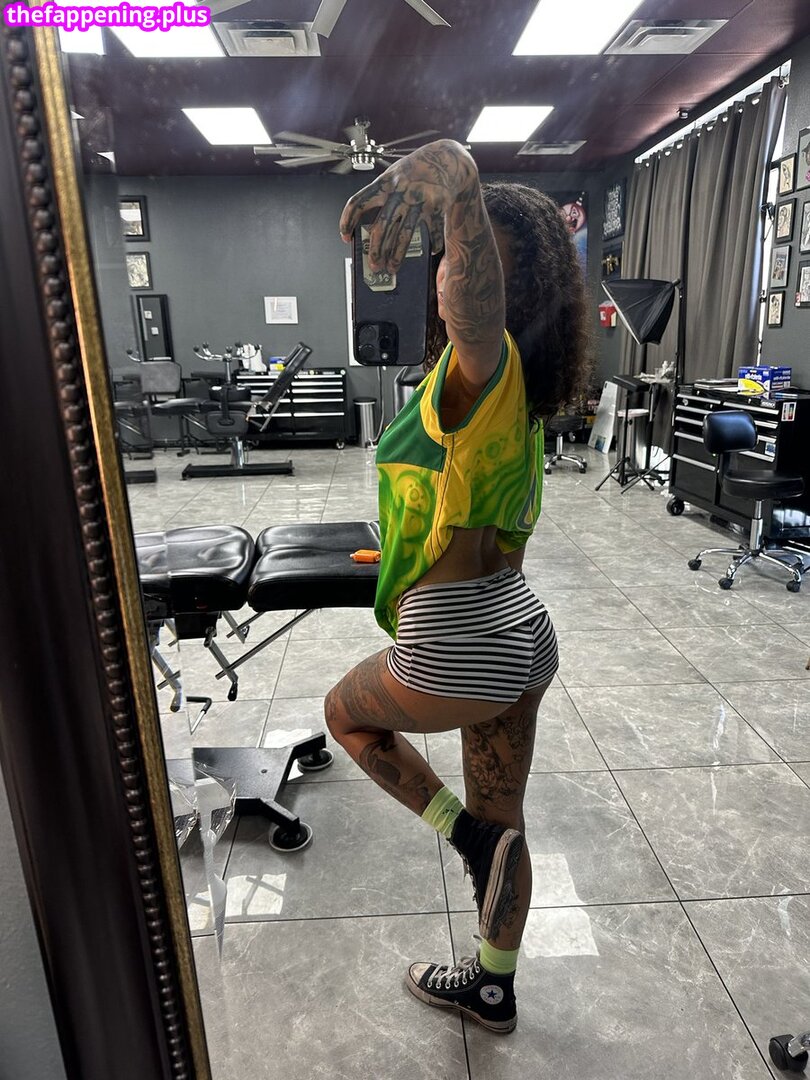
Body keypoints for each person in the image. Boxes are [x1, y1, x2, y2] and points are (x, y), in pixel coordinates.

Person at [325, 139, 590, 1034]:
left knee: (345, 714)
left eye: (471, 261)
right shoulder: (516, 399)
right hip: (520, 631)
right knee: (505, 818)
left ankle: (464, 837)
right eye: (448, 255)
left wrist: (456, 176)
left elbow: (476, 313)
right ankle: (492, 985)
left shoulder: (488, 365)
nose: (451, 273)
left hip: (455, 644)